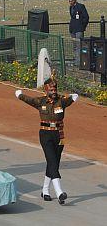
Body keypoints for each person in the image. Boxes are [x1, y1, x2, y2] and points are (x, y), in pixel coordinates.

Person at [15, 74, 79, 204]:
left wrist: (70, 96)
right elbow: (29, 100)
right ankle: (60, 192)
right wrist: (20, 94)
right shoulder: (41, 102)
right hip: (45, 135)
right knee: (52, 161)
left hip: (59, 136)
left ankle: (45, 190)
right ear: (46, 90)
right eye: (51, 90)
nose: (54, 92)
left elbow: (75, 97)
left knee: (54, 163)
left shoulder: (62, 101)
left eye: (55, 90)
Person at [67, 0, 89, 65]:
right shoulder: (71, 8)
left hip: (79, 29)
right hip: (72, 29)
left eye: (71, 1)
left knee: (79, 45)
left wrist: (82, 26)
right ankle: (76, 60)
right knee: (75, 46)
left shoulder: (81, 6)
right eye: (69, 1)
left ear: (74, 0)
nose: (70, 2)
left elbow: (86, 17)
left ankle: (79, 62)